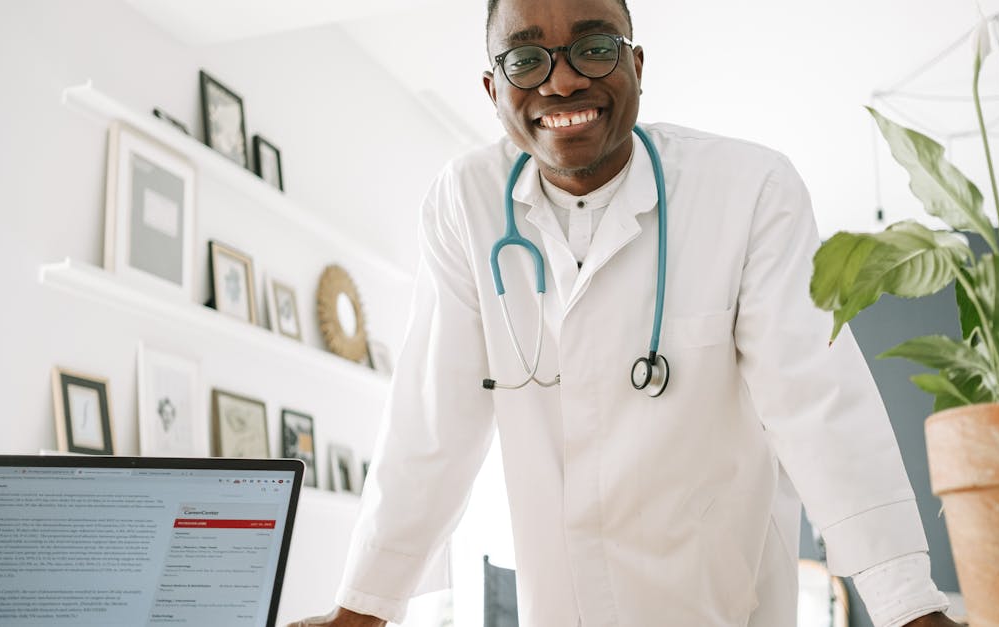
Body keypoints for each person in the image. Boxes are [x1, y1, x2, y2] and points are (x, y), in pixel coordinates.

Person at [292, 0, 963, 625]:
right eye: (525, 60)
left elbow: (818, 405)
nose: (560, 83)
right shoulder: (464, 202)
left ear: (635, 64)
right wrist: (364, 607)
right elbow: (430, 421)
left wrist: (909, 606)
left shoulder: (749, 188)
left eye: (593, 46)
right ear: (494, 89)